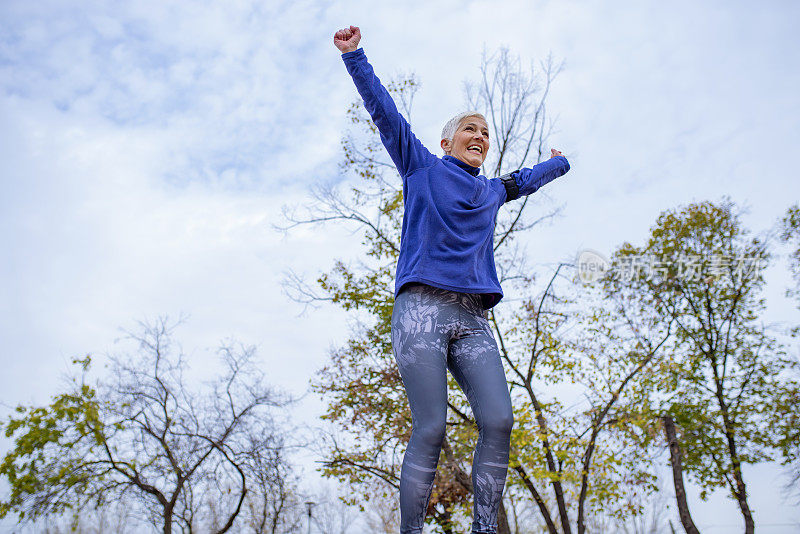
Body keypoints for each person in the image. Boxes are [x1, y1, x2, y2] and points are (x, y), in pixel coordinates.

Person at [333, 25, 571, 534]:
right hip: (421, 309)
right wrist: (355, 57)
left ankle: (484, 530)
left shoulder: (491, 191)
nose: (480, 137)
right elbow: (385, 113)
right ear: (447, 141)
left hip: (471, 317)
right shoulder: (421, 166)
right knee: (432, 426)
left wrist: (559, 164)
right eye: (470, 129)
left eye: (485, 133)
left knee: (499, 420)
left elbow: (525, 179)